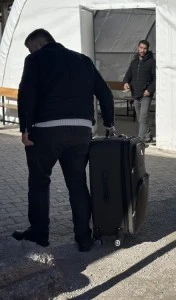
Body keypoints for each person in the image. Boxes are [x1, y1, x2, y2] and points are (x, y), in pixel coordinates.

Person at [12, 29, 115, 252]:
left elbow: (26, 93)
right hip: (80, 131)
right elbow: (105, 93)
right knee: (77, 184)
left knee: (39, 182)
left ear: (39, 44)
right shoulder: (83, 60)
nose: (30, 52)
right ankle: (84, 238)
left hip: (45, 131)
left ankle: (40, 235)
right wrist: (109, 123)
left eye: (30, 48)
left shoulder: (35, 59)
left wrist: (25, 129)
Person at [123, 40, 156, 143]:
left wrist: (149, 90)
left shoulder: (151, 62)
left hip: (146, 94)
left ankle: (140, 139)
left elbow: (156, 78)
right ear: (138, 48)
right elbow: (128, 76)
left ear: (147, 49)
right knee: (140, 118)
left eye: (145, 48)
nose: (142, 50)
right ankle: (148, 134)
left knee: (143, 116)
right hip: (136, 94)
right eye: (141, 48)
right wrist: (126, 83)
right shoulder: (134, 62)